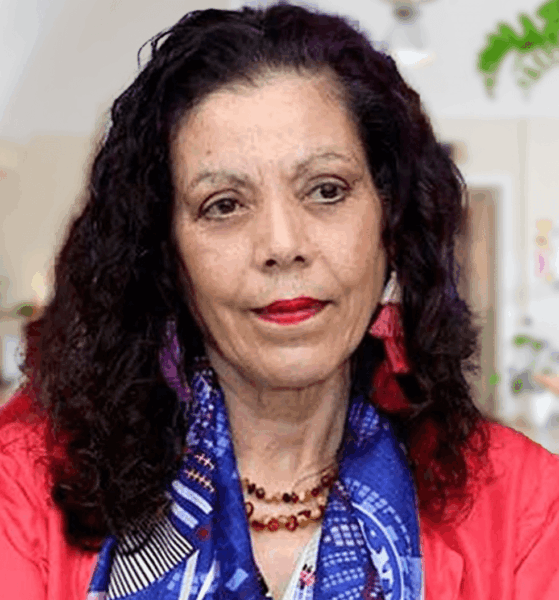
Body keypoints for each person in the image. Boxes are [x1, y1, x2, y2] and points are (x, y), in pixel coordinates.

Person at [1, 2, 558, 599]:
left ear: (391, 224)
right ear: (165, 253)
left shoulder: (527, 507)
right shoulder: (21, 497)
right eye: (224, 205)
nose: (282, 245)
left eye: (326, 190)